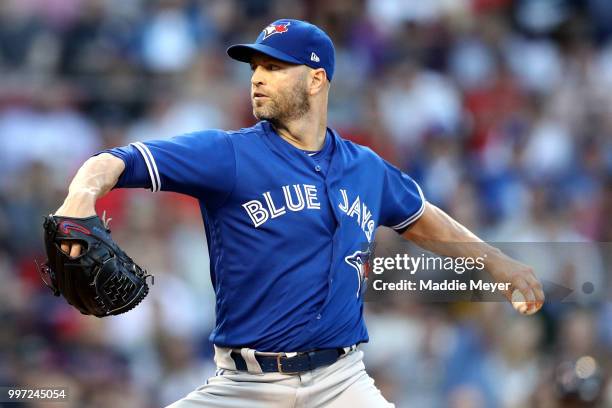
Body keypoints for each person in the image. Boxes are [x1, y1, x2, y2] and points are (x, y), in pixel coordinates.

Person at [54, 19, 544, 408]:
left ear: (315, 80)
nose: (258, 77)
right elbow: (115, 161)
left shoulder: (365, 168)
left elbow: (419, 216)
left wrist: (499, 265)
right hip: (244, 387)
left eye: (274, 66)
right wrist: (81, 196)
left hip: (341, 383)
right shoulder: (228, 155)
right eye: (254, 67)